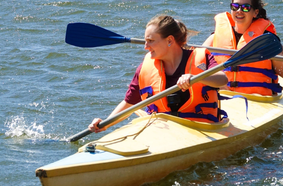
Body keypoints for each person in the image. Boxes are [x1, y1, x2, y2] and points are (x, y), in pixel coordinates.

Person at [89, 15, 229, 133]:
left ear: (169, 40)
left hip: (200, 127)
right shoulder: (145, 68)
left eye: (151, 41)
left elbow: (222, 79)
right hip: (162, 129)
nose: (145, 46)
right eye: (145, 41)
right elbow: (129, 103)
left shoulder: (201, 58)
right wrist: (105, 124)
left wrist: (197, 78)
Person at [203, 0, 283, 96]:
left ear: (255, 12)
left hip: (258, 100)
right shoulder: (215, 37)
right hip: (223, 96)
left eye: (246, 7)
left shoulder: (267, 40)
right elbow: (196, 61)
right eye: (235, 6)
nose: (239, 11)